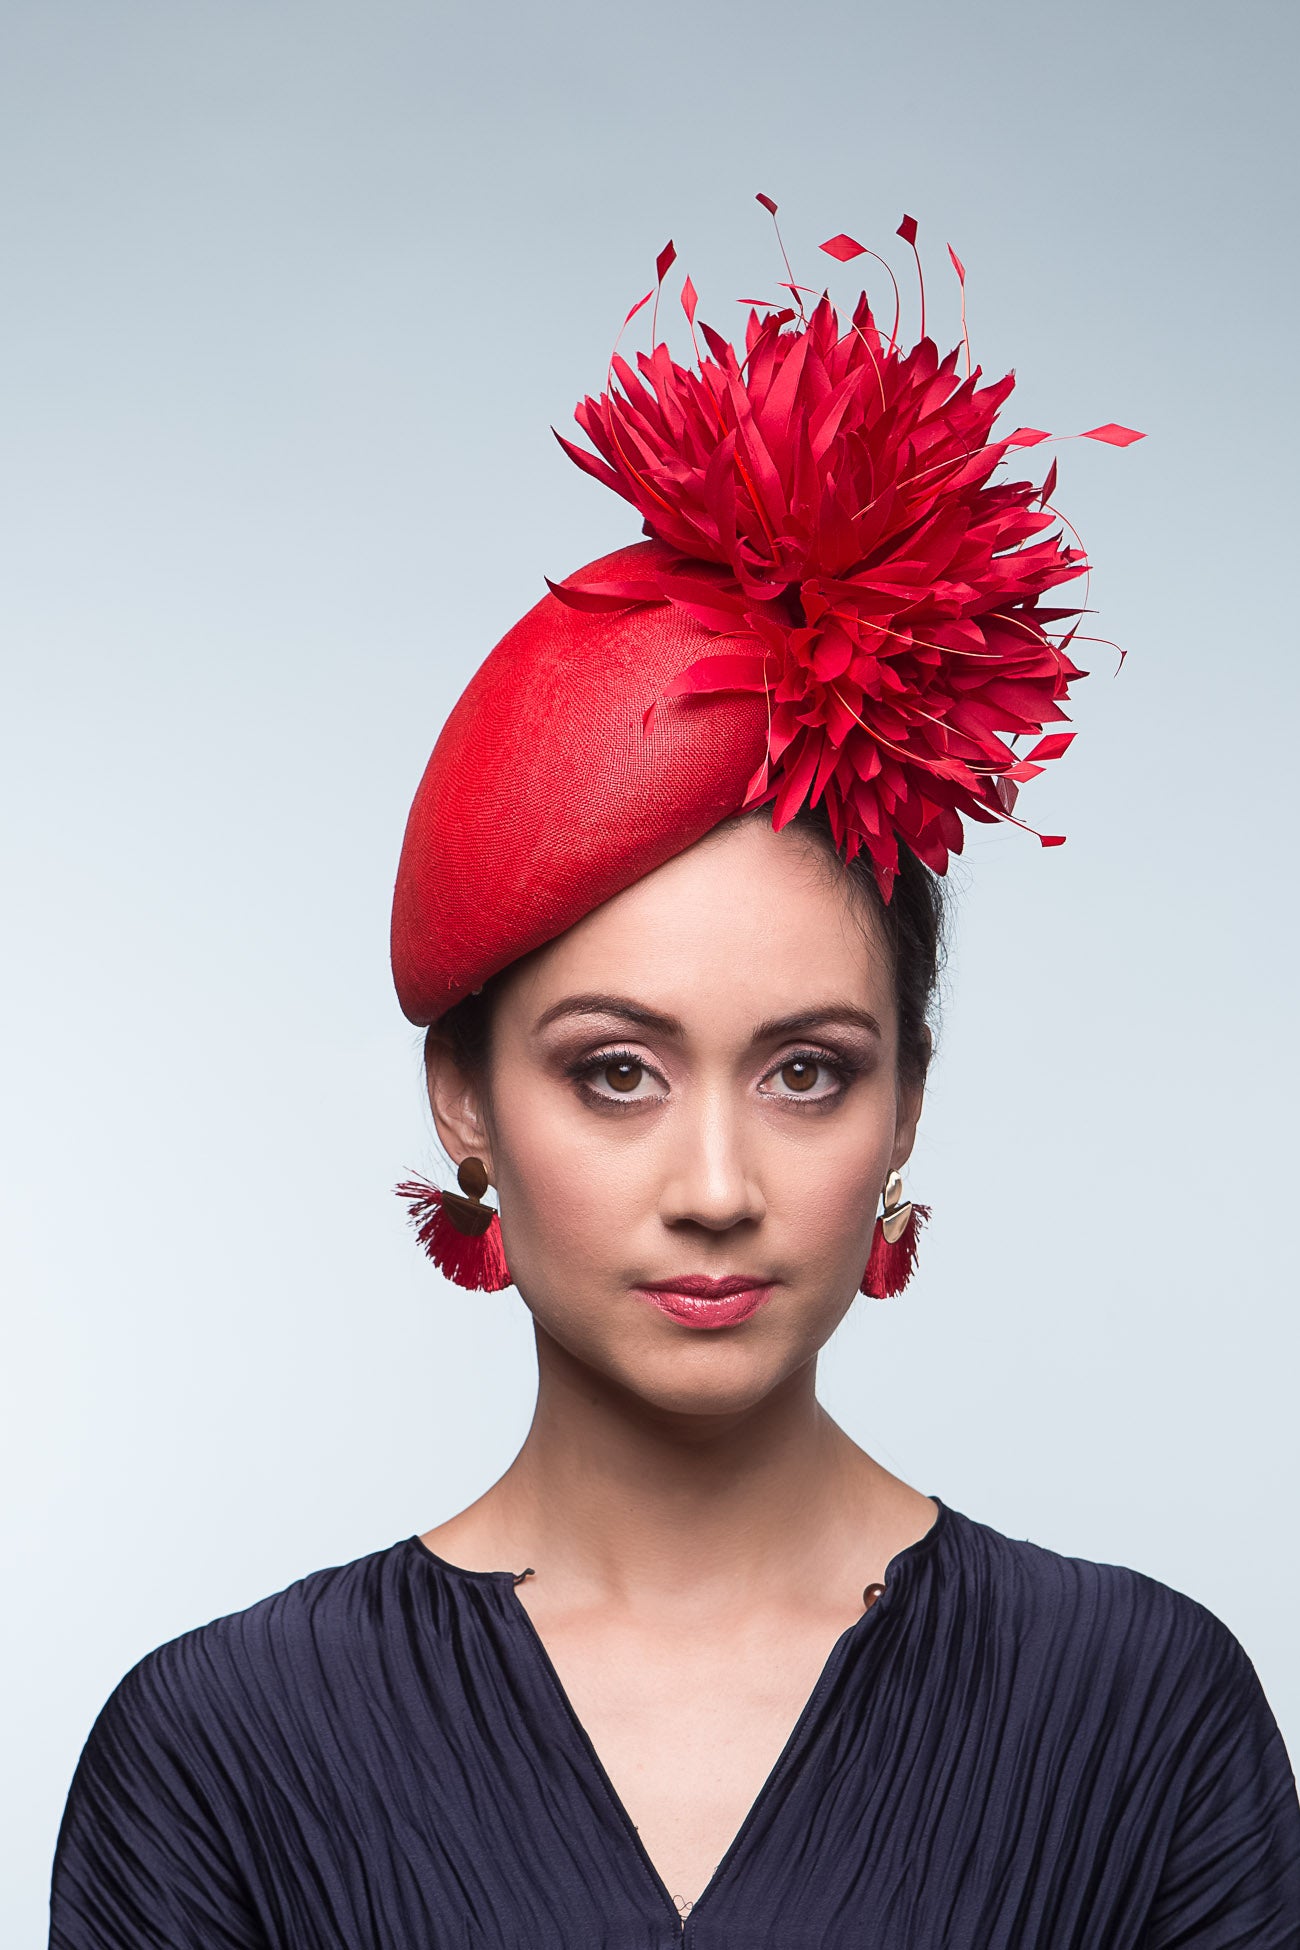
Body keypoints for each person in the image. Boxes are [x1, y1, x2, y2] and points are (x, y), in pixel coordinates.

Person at [50, 212, 1300, 1948]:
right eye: (617, 1071)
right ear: (464, 1098)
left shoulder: (1145, 1719)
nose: (717, 1180)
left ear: (906, 1106)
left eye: (805, 1070)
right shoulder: (216, 1761)